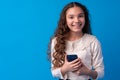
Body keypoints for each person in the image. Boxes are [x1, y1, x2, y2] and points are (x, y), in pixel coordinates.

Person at [48, 2, 104, 80]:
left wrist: (88, 72)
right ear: (65, 20)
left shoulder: (93, 41)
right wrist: (66, 68)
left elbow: (101, 72)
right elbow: (53, 72)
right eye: (71, 17)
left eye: (80, 16)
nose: (76, 20)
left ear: (85, 18)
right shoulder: (56, 41)